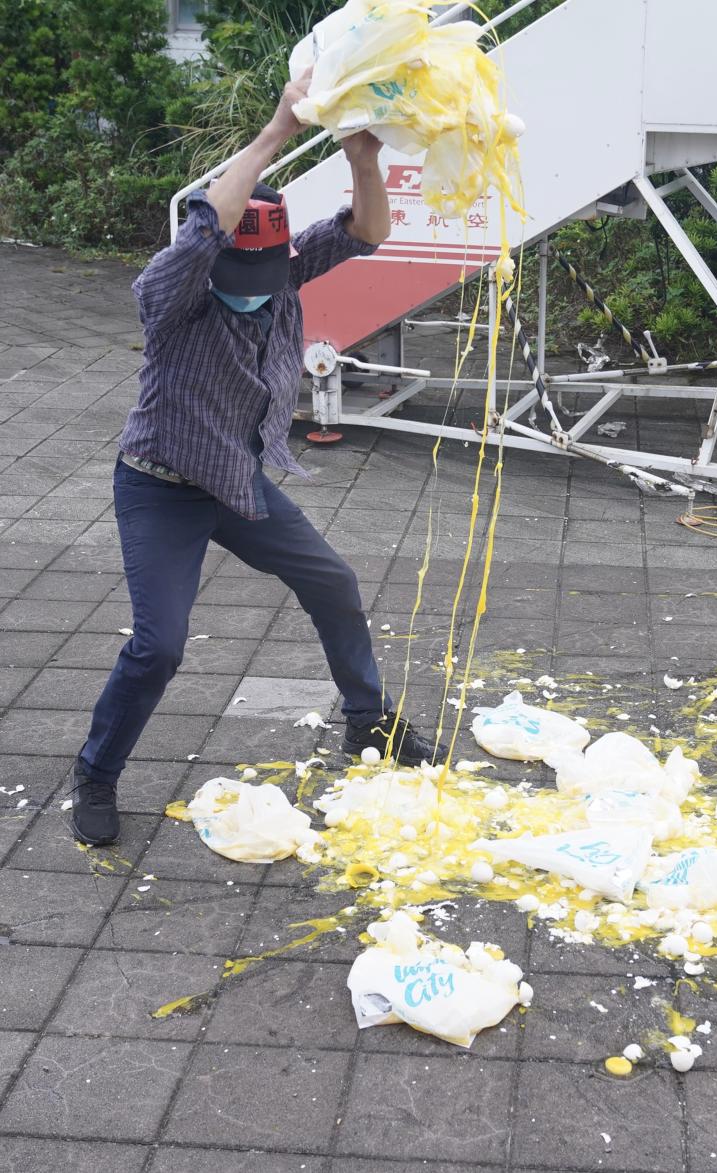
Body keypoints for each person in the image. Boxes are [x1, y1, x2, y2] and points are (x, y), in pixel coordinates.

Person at [70, 71, 445, 847]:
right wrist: (278, 126)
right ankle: (96, 774)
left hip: (236, 481)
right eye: (238, 275)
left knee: (333, 581)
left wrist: (363, 159)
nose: (253, 291)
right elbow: (208, 221)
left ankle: (367, 724)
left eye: (264, 276)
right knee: (160, 644)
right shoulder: (176, 295)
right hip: (161, 486)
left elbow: (368, 231)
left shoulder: (283, 271)